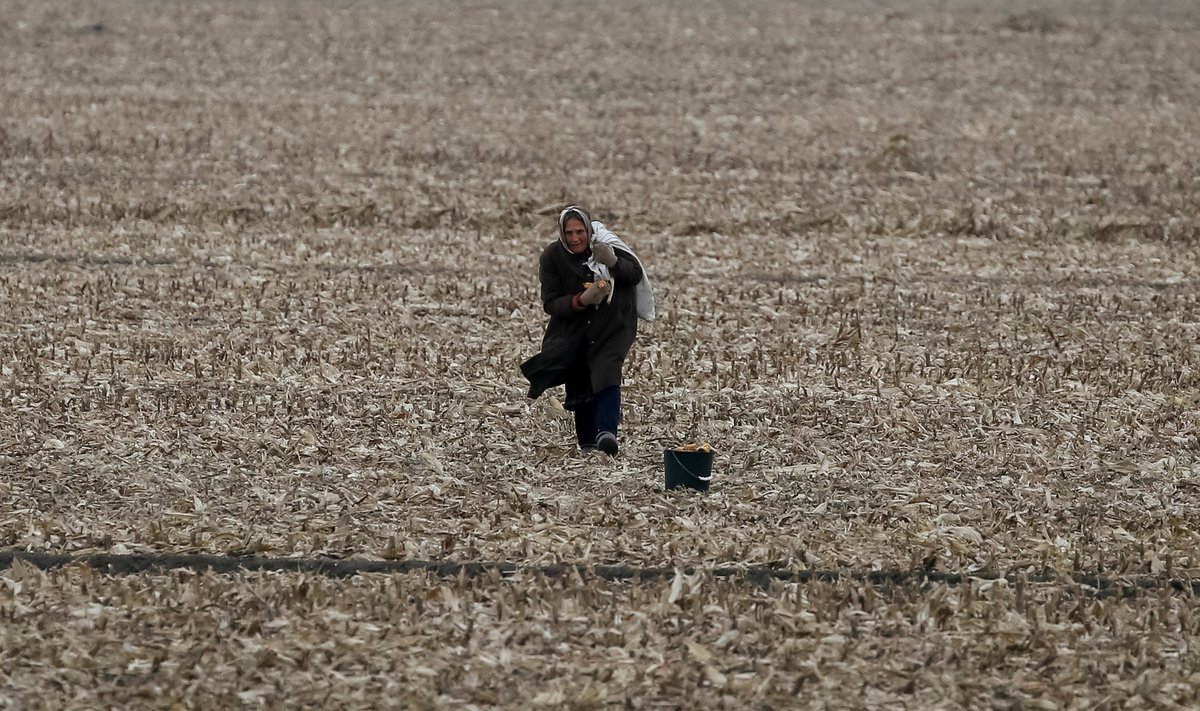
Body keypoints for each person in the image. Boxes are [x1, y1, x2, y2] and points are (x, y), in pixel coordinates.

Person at [520, 205, 653, 456]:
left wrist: (612, 261)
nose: (575, 238)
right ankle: (587, 443)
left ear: (589, 229)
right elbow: (550, 302)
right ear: (561, 233)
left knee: (606, 370)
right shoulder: (552, 257)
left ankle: (607, 433)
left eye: (580, 231)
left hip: (613, 325)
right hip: (574, 327)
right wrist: (581, 300)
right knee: (579, 377)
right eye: (569, 232)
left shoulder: (606, 245)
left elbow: (633, 274)